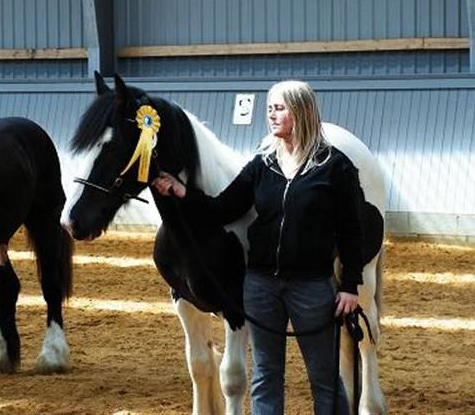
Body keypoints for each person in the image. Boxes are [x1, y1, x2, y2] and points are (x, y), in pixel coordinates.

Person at [152, 80, 365, 415]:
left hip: (311, 285)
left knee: (323, 377)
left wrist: (350, 285)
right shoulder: (261, 165)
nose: (271, 115)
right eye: (269, 108)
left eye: (279, 108)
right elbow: (223, 208)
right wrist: (183, 193)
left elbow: (354, 231)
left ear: (302, 111)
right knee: (266, 376)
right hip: (262, 284)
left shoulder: (335, 167)